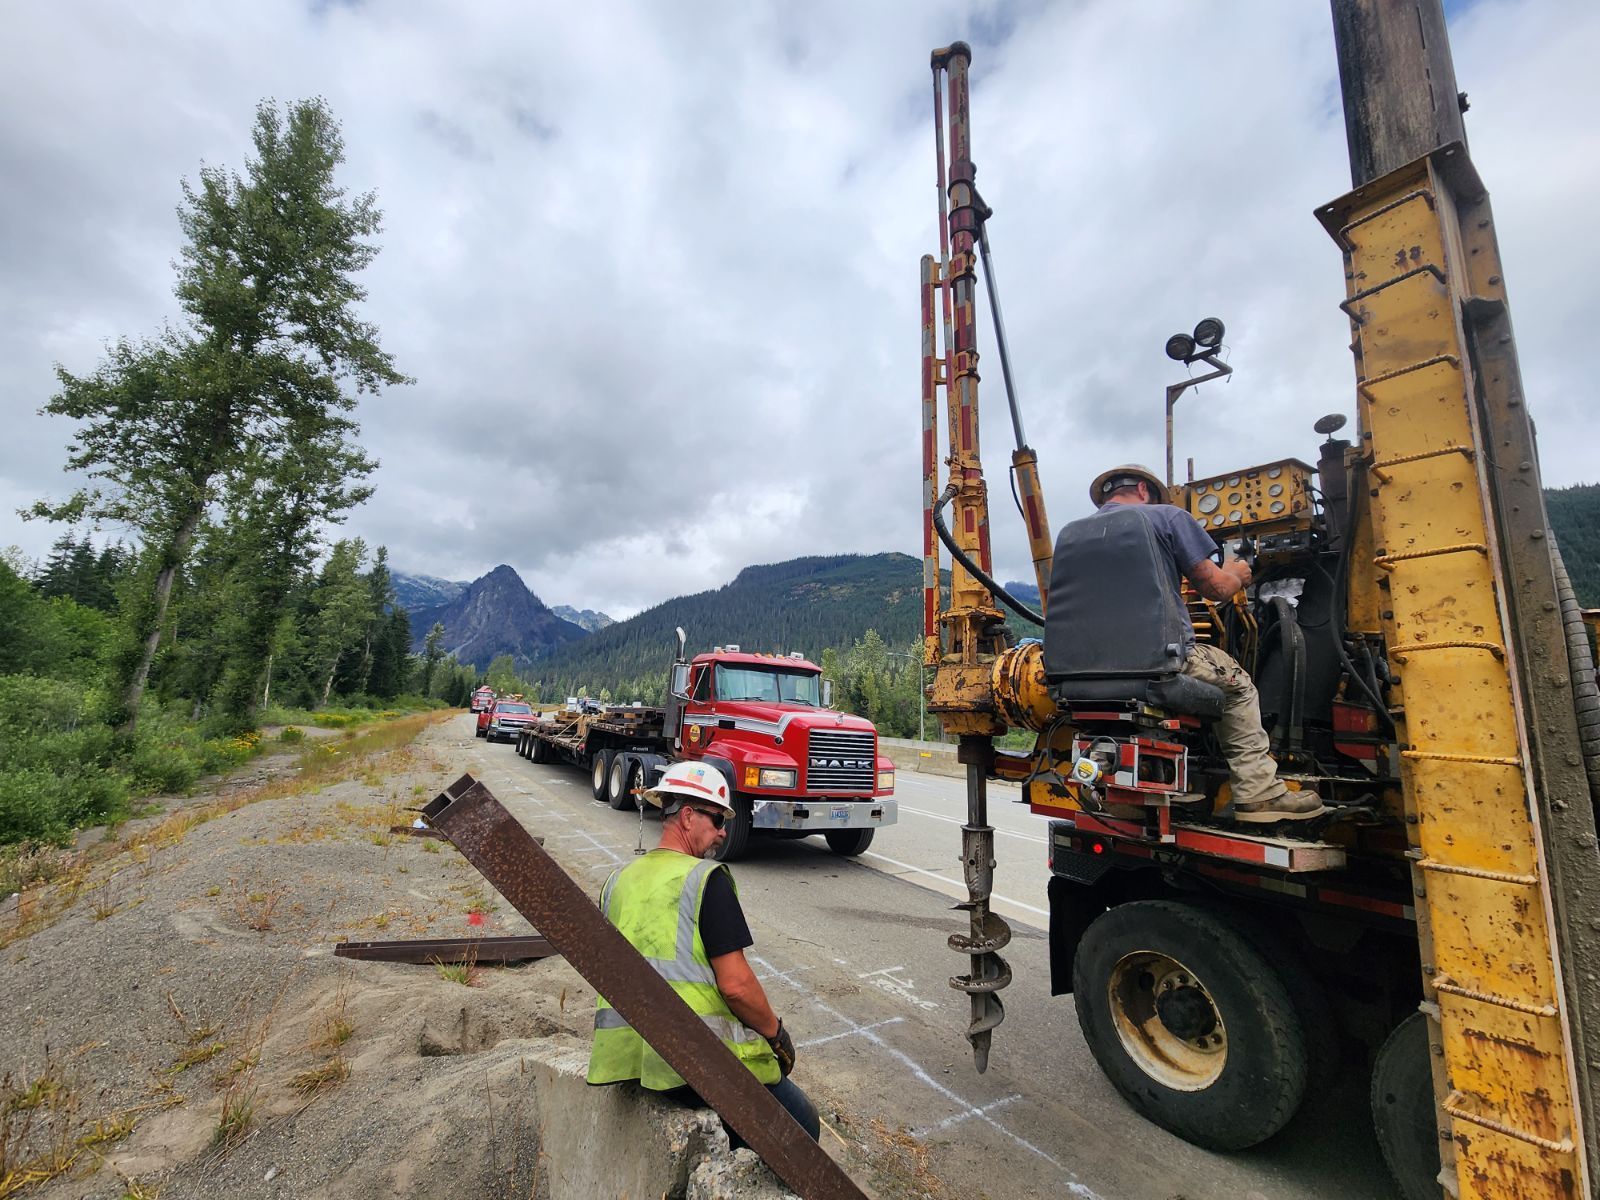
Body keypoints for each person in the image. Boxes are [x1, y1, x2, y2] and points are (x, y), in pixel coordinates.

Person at [586, 760, 820, 1145]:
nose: (722, 832)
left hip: (627, 1059)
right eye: (716, 820)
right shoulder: (706, 881)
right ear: (689, 817)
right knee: (802, 1124)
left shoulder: (617, 882)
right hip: (689, 1063)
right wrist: (776, 1034)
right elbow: (736, 987)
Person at [1087, 463, 1325, 822]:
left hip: (1089, 666)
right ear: (1142, 489)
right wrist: (1239, 574)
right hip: (1156, 658)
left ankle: (1141, 789)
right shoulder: (1167, 517)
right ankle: (1259, 794)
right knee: (1239, 686)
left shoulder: (1077, 534)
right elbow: (1214, 588)